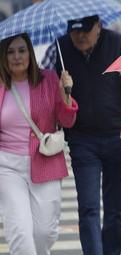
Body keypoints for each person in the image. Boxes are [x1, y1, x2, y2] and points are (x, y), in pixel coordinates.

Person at [41, 15, 121, 255]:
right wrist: (59, 89)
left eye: (86, 30)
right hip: (82, 139)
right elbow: (39, 88)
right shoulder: (58, 49)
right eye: (74, 31)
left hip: (117, 138)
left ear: (99, 26)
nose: (79, 36)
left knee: (115, 210)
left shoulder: (118, 43)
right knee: (88, 207)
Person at [0, 33, 78, 255]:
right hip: (6, 167)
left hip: (45, 161)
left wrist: (66, 95)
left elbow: (66, 121)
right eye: (10, 51)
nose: (17, 56)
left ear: (30, 54)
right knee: (20, 233)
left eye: (22, 50)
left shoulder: (50, 79)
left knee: (44, 232)